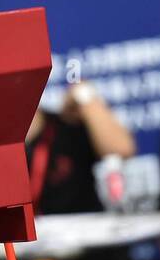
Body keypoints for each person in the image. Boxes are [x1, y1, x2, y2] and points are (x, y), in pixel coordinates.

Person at [25, 81, 135, 215]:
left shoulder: (64, 125)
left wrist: (85, 97)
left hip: (86, 229)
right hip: (26, 232)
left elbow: (121, 148)